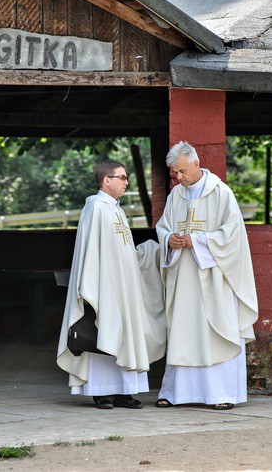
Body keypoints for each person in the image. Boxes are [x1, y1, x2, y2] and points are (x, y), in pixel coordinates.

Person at [155, 141, 258, 410]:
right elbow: (163, 226)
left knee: (215, 331)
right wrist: (170, 239)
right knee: (183, 331)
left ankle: (220, 394)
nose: (178, 178)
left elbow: (232, 235)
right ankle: (176, 392)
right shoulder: (176, 196)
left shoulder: (221, 193)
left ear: (196, 164)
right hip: (183, 276)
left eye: (181, 171)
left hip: (213, 276)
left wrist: (197, 241)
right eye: (175, 173)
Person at [56, 161, 156, 410]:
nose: (126, 182)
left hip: (124, 287)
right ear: (106, 181)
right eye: (122, 178)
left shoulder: (116, 210)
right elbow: (92, 253)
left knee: (124, 333)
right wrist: (96, 286)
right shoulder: (96, 208)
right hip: (104, 285)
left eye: (126, 177)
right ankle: (102, 392)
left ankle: (125, 392)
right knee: (104, 330)